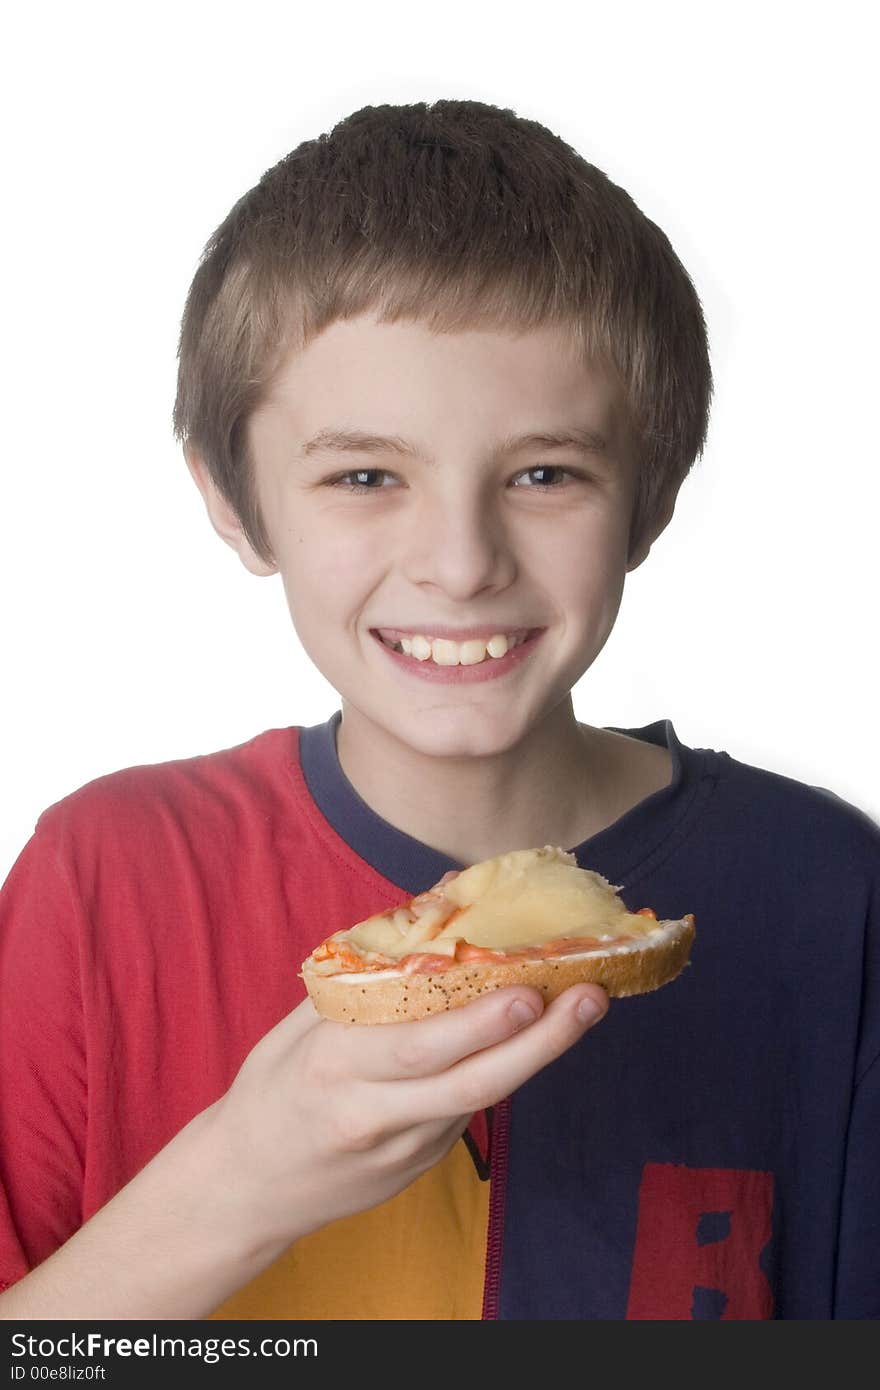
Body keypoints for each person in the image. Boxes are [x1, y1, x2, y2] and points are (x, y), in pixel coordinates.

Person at [0, 98, 877, 1322]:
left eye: (544, 473)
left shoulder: (829, 895)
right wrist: (242, 1178)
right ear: (236, 502)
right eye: (365, 475)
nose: (460, 563)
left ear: (653, 496)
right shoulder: (102, 879)